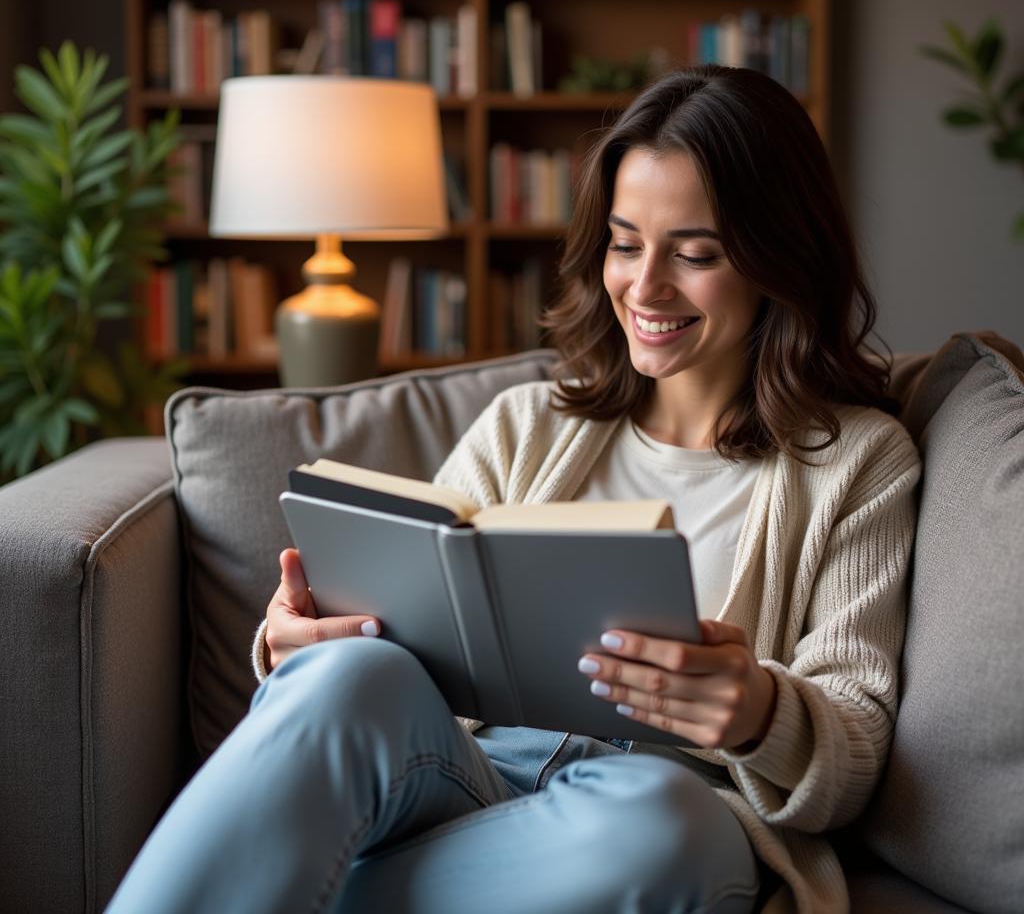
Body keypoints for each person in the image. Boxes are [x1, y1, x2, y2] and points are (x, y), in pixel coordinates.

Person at [106, 65, 920, 914]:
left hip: (646, 813)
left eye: (697, 254)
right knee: (344, 682)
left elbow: (856, 750)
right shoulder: (527, 423)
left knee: (665, 819)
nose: (645, 288)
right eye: (626, 242)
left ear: (779, 259)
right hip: (463, 776)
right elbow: (399, 645)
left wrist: (756, 710)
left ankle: (300, 888)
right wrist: (300, 648)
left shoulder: (858, 462)